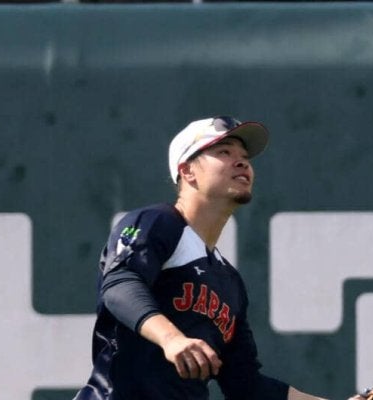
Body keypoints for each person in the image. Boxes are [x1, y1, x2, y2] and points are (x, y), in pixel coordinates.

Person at [74, 116, 328, 400]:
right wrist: (171, 339)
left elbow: (246, 386)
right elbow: (119, 283)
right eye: (224, 152)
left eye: (245, 157)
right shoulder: (157, 222)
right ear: (187, 171)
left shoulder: (230, 282)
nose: (242, 162)